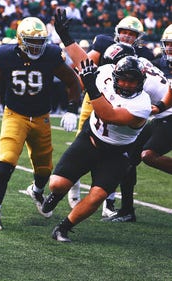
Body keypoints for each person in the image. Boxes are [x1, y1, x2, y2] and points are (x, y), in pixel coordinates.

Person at [0, 17, 82, 231]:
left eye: (40, 42)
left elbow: (72, 81)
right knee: (6, 159)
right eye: (31, 41)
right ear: (20, 39)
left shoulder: (52, 55)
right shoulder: (6, 55)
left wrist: (73, 108)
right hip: (15, 114)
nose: (37, 47)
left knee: (45, 168)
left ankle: (36, 190)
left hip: (41, 116)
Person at [54, 8, 155, 212]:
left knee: (121, 157)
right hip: (98, 94)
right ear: (118, 31)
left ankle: (110, 200)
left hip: (126, 105)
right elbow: (85, 66)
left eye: (133, 33)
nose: (128, 36)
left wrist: (157, 107)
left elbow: (154, 84)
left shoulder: (144, 56)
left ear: (138, 37)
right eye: (125, 31)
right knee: (84, 148)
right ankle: (70, 192)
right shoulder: (104, 48)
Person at [42, 57, 151, 242]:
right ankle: (57, 195)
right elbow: (82, 61)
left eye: (131, 81)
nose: (126, 84)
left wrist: (91, 87)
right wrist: (65, 36)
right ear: (115, 76)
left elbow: (108, 115)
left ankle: (63, 228)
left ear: (140, 82)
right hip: (90, 139)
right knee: (56, 184)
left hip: (117, 153)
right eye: (122, 79)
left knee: (97, 195)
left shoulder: (142, 104)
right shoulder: (106, 74)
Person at [103, 25, 172, 222]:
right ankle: (126, 211)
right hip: (162, 117)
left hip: (168, 116)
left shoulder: (137, 76)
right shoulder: (142, 63)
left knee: (148, 155)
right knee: (128, 157)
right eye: (167, 45)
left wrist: (158, 107)